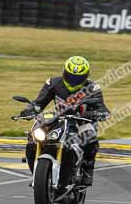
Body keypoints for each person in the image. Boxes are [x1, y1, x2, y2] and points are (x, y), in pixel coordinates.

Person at [19, 56, 110, 185]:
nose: (73, 81)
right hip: (58, 119)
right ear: (64, 72)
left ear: (85, 77)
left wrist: (99, 113)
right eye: (70, 76)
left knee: (90, 137)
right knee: (33, 138)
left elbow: (102, 107)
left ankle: (87, 169)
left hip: (82, 121)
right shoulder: (53, 83)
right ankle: (38, 173)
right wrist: (30, 109)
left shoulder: (92, 88)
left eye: (78, 78)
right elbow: (39, 102)